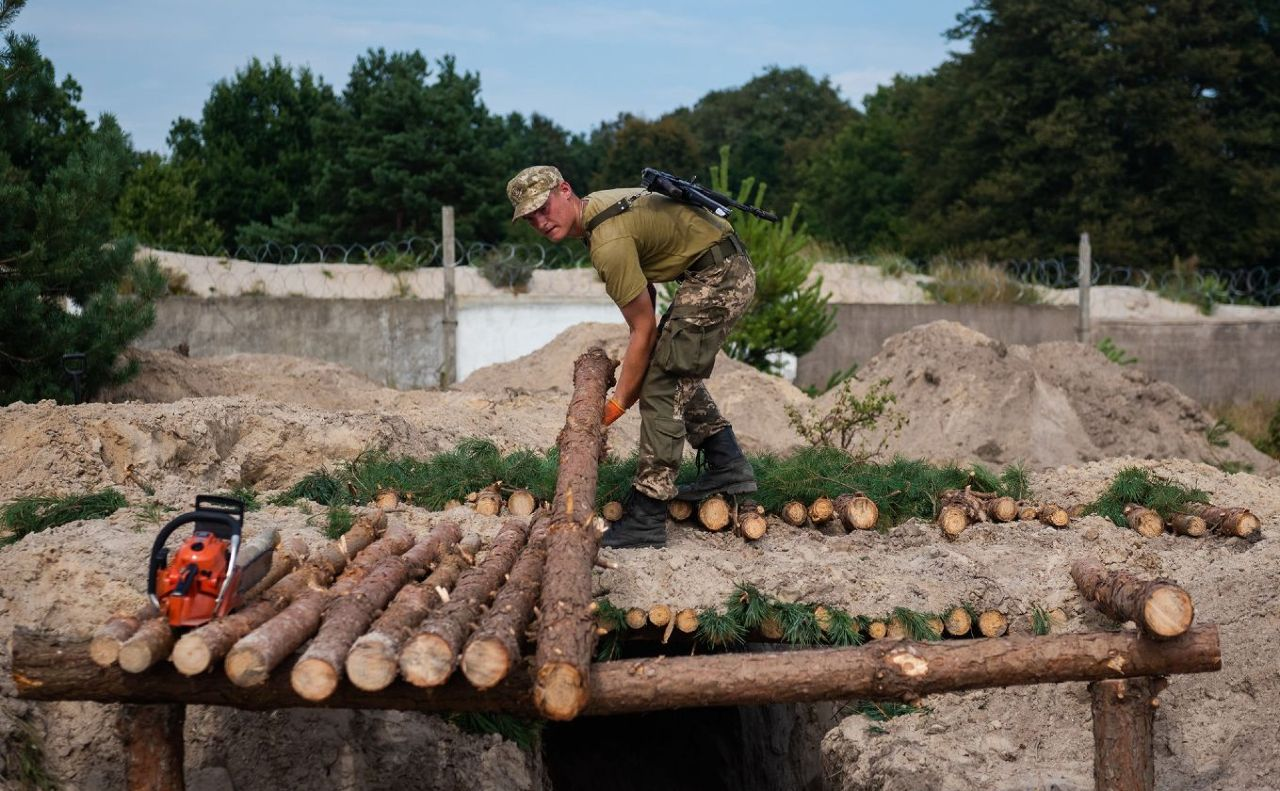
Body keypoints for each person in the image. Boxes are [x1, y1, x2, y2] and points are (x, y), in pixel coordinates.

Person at [506, 164, 757, 549]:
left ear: (565, 191)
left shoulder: (606, 241)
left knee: (660, 387)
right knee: (667, 370)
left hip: (719, 276)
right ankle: (727, 464)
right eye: (530, 217)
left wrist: (619, 403)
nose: (540, 221)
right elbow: (647, 307)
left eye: (544, 207)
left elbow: (642, 329)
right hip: (713, 269)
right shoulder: (597, 214)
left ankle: (647, 515)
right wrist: (642, 358)